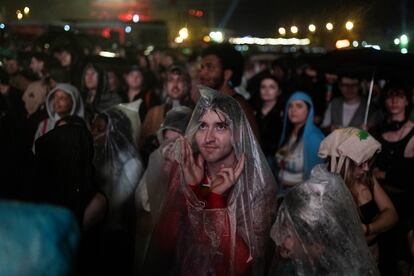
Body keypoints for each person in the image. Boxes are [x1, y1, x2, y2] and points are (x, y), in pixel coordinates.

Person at [141, 86, 277, 275]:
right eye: (203, 126)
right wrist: (191, 190)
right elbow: (165, 244)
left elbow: (242, 264)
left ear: (238, 132)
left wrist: (215, 199)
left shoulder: (256, 184)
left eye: (220, 126)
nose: (208, 138)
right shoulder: (189, 172)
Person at [270, 163, 379, 275]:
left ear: (318, 246)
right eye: (281, 227)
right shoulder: (292, 266)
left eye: (287, 234)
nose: (277, 237)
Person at [319, 127, 398, 261]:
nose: (367, 168)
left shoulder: (367, 178)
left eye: (368, 162)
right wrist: (378, 227)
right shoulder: (326, 190)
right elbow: (341, 242)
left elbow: (392, 214)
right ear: (343, 162)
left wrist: (368, 228)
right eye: (361, 163)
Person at [372, 85, 414, 274]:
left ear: (407, 101)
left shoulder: (413, 132)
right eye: (390, 96)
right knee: (383, 256)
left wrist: (384, 175)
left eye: (399, 96)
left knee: (401, 258)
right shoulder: (377, 131)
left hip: (406, 204)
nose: (394, 101)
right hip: (380, 201)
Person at [199, 43, 260, 138]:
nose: (202, 73)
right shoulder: (208, 102)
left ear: (227, 74)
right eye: (202, 67)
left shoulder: (238, 106)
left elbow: (251, 147)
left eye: (210, 67)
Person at [275, 91, 324, 196]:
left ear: (309, 110)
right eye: (290, 106)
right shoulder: (287, 133)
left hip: (300, 196)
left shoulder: (314, 138)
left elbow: (316, 178)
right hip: (281, 192)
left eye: (299, 106)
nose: (293, 110)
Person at [254, 74, 284, 173]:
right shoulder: (254, 111)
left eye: (271, 87)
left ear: (279, 91)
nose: (267, 90)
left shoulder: (283, 113)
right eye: (263, 87)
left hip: (275, 159)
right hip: (256, 157)